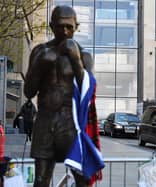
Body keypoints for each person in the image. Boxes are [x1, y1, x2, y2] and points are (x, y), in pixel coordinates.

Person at [24, 5, 102, 187]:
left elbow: (88, 93)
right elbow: (29, 92)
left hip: (71, 124)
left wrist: (75, 61)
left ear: (76, 26)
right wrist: (39, 66)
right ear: (51, 26)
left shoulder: (84, 55)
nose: (65, 31)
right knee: (41, 179)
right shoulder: (40, 52)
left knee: (82, 179)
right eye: (60, 26)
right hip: (45, 122)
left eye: (69, 26)